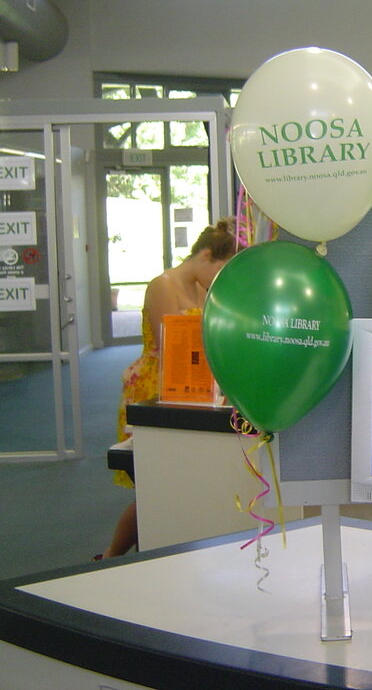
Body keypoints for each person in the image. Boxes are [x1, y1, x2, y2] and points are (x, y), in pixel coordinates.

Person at [99, 219, 237, 559]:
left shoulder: (202, 290)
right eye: (220, 268)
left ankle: (127, 553)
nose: (219, 278)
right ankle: (112, 555)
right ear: (206, 255)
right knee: (151, 485)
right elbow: (172, 344)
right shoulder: (163, 284)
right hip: (155, 384)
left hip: (191, 387)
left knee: (168, 481)